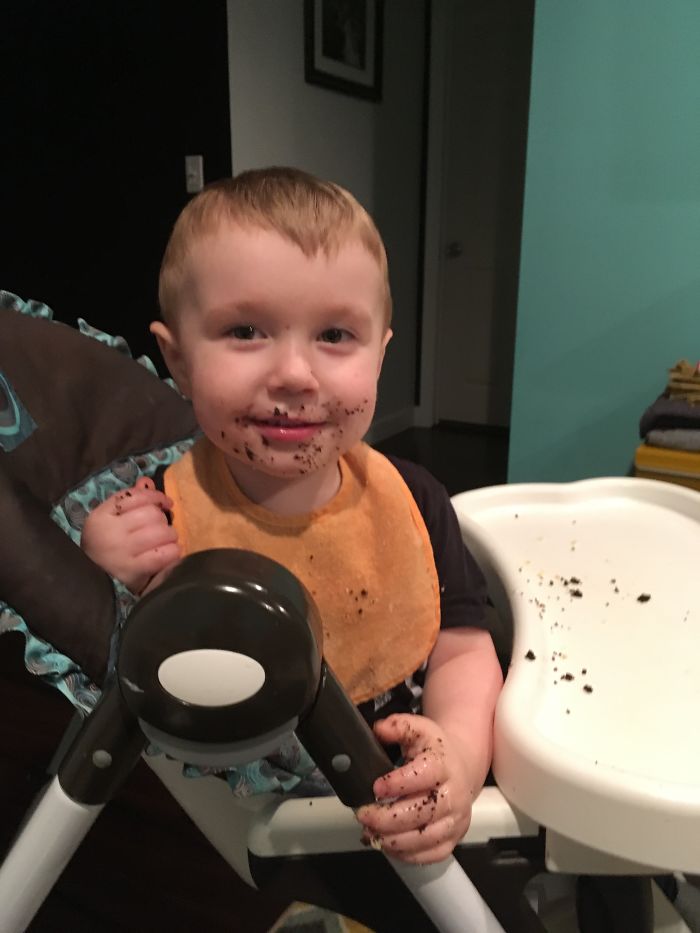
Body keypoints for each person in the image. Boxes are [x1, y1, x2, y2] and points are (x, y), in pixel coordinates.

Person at [80, 166, 503, 865]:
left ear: (380, 355)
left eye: (335, 334)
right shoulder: (159, 516)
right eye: (245, 330)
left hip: (400, 782)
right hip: (262, 814)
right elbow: (124, 669)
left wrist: (458, 750)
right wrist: (105, 573)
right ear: (178, 359)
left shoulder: (414, 498)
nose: (295, 375)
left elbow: (462, 648)